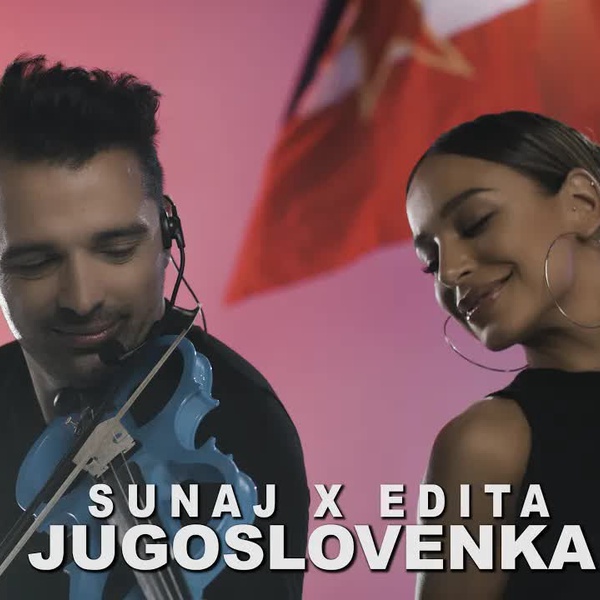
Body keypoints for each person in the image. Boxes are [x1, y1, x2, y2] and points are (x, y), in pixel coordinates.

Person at [0, 54, 309, 598]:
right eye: (36, 263)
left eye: (117, 249)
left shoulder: (238, 430)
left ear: (168, 233)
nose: (82, 298)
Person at [405, 110, 600, 599]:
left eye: (476, 223)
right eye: (430, 262)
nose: (449, 272)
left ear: (582, 202)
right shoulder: (487, 446)